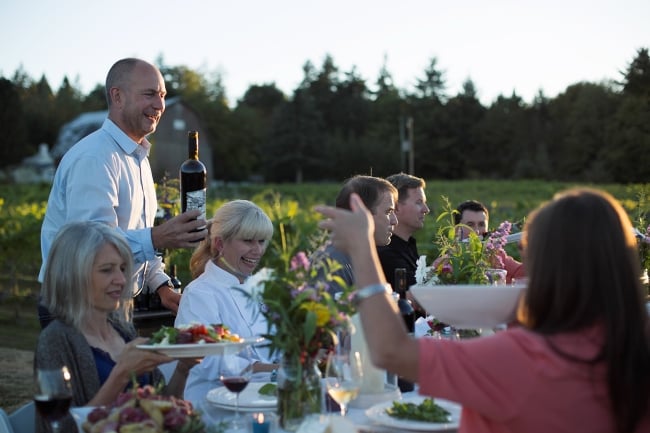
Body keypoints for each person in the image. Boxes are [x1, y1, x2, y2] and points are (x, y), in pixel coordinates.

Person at [316, 188, 650, 433]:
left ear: (547, 266)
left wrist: (361, 248)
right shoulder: (634, 349)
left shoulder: (526, 359)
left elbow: (390, 351)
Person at [38, 58, 207, 326]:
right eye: (150, 94)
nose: (160, 105)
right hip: (77, 304)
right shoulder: (95, 158)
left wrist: (161, 285)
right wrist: (158, 237)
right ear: (117, 96)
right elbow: (92, 247)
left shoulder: (137, 158)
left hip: (114, 305)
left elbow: (137, 241)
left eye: (162, 96)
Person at [35, 221, 196, 433]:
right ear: (74, 275)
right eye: (106, 270)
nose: (121, 279)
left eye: (122, 268)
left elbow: (161, 406)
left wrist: (184, 368)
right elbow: (61, 428)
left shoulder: (124, 331)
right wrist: (121, 374)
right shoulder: (55, 340)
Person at [175, 200, 278, 405]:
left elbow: (274, 347)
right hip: (216, 408)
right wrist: (273, 370)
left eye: (262, 241)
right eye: (248, 241)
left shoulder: (258, 289)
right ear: (220, 244)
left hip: (262, 400)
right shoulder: (199, 294)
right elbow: (206, 361)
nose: (257, 250)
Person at [311, 174, 398, 294]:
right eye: (388, 212)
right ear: (362, 214)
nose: (394, 221)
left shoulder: (355, 257)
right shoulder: (331, 264)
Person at [377, 173, 429, 316]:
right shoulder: (386, 251)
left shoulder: (407, 244)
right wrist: (441, 270)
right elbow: (418, 299)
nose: (426, 209)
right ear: (396, 207)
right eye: (419, 202)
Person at [455, 199, 525, 283]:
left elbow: (526, 274)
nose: (477, 231)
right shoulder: (448, 262)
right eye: (470, 225)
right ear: (456, 230)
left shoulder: (497, 256)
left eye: (481, 225)